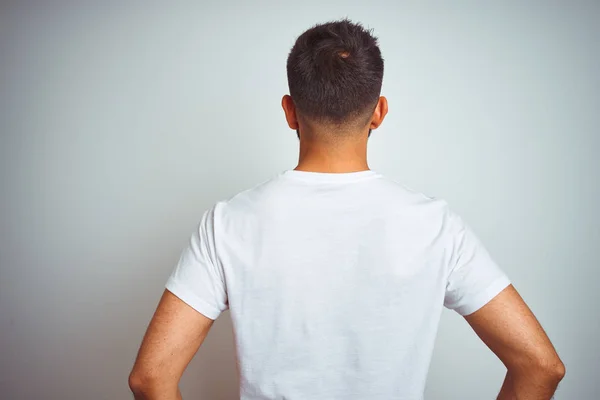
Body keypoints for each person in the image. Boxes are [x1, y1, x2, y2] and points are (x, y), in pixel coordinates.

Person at [129, 19, 565, 400]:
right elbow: (541, 367)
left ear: (289, 111)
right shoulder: (436, 227)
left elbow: (151, 378)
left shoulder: (227, 224)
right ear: (379, 112)